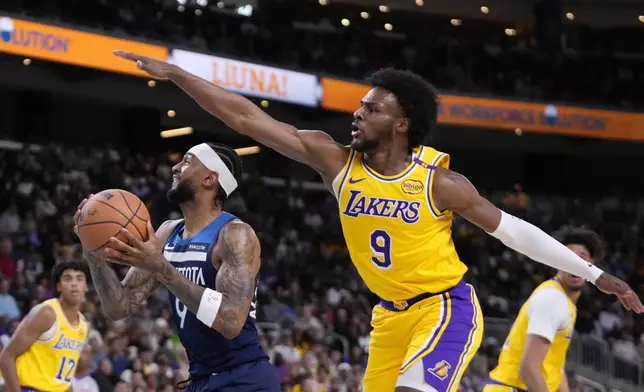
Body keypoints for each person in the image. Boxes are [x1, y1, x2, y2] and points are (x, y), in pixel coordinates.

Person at [113, 51, 644, 392]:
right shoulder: (336, 162)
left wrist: (596, 276)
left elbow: (513, 231)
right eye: (360, 106)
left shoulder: (438, 182)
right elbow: (248, 118)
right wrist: (180, 75)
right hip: (388, 319)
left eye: (371, 109)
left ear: (401, 123)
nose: (357, 114)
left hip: (445, 308)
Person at [74, 143, 280, 392]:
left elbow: (231, 321)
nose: (175, 167)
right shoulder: (167, 233)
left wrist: (163, 269)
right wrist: (92, 254)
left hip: (245, 378)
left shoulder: (235, 235)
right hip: (201, 379)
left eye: (187, 161)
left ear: (209, 178)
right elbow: (119, 306)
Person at [483, 226, 604, 392]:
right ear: (556, 262)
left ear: (591, 264)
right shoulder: (552, 298)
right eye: (569, 258)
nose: (576, 264)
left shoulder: (566, 303)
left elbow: (554, 368)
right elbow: (528, 368)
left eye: (582, 259)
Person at [0, 261, 90, 392]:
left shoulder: (84, 325)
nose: (74, 283)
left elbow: (64, 380)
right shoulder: (47, 314)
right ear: (59, 286)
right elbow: (6, 356)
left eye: (79, 278)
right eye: (68, 278)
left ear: (86, 286)